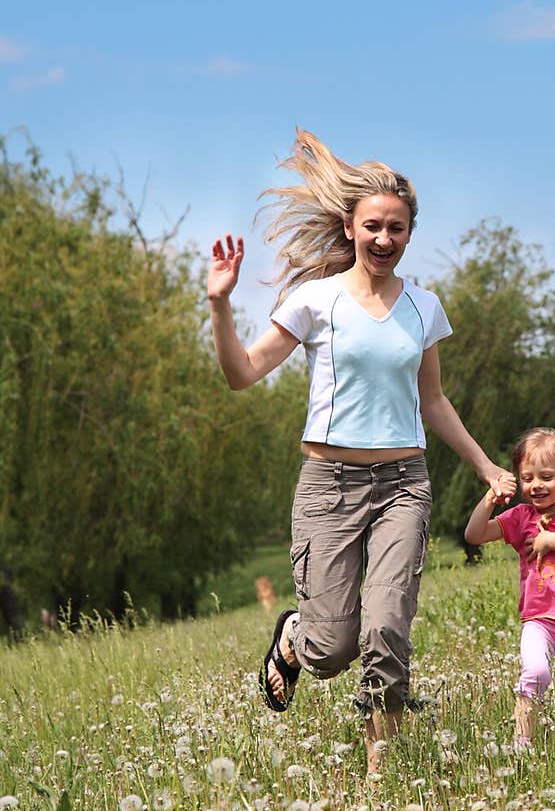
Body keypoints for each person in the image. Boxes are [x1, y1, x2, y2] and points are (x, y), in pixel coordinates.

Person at [208, 128, 516, 775]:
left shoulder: (424, 308)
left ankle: (380, 770)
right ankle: (294, 638)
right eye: (373, 226)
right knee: (331, 648)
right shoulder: (314, 301)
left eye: (396, 229)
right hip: (328, 486)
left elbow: (434, 403)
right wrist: (220, 306)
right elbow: (242, 373)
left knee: (386, 628)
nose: (384, 239)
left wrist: (486, 465)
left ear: (409, 233)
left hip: (404, 483)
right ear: (350, 226)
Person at [463, 426, 555, 747]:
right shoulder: (519, 517)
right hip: (538, 620)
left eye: (546, 476)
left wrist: (550, 540)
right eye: (527, 478)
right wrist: (490, 498)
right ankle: (522, 745)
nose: (536, 485)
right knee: (535, 673)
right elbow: (474, 535)